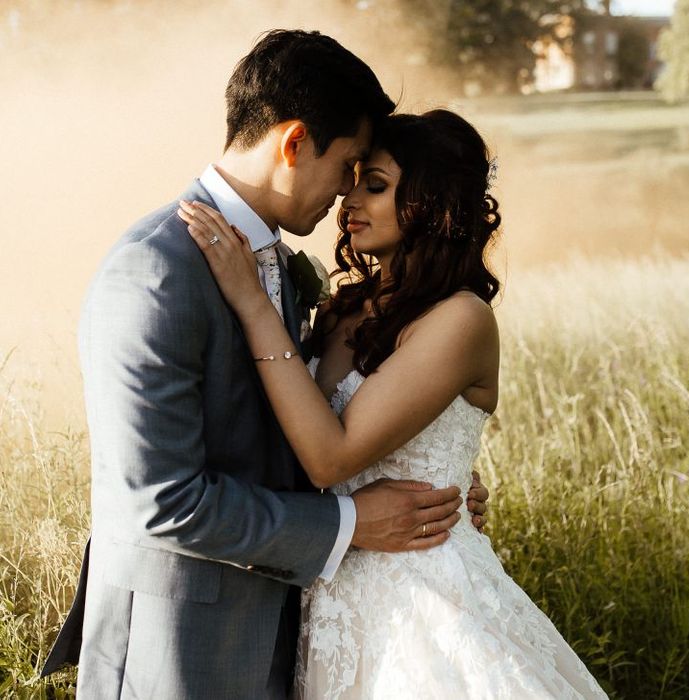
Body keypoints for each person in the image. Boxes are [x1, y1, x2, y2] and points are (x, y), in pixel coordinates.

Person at [41, 31, 489, 699]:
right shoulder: (156, 270)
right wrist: (351, 522)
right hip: (181, 650)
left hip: (298, 634)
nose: (346, 195)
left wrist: (431, 471)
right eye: (348, 166)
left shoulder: (280, 265)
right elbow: (160, 503)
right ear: (294, 143)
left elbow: (295, 423)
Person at [181, 109, 609, 698]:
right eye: (352, 179)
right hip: (327, 592)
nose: (348, 199)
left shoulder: (461, 319)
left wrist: (252, 303)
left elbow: (333, 459)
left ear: (431, 205)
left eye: (375, 185)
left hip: (420, 601)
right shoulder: (341, 308)